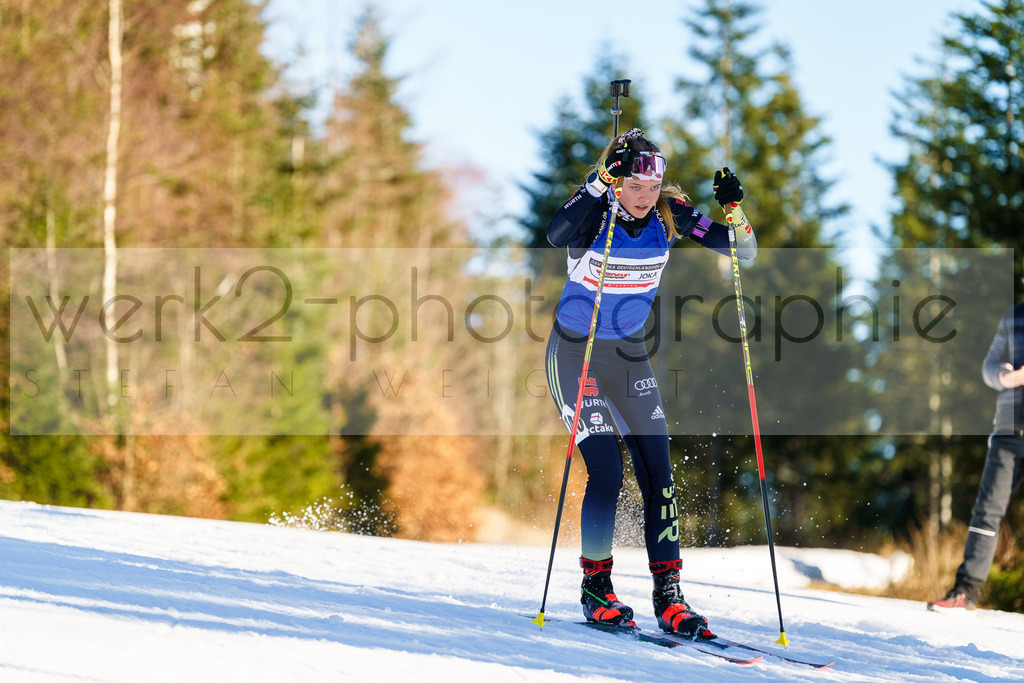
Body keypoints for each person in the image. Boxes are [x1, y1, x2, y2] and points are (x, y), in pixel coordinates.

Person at [544, 127, 757, 636]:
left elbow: (742, 251)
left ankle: (670, 598)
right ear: (616, 181)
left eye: (651, 187)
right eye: (634, 187)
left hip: (628, 356)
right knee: (607, 469)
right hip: (575, 355)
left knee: (659, 471)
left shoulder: (669, 213)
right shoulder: (594, 212)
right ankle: (596, 587)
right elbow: (555, 233)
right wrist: (598, 182)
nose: (644, 198)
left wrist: (733, 210)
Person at [927, 301, 1024, 611]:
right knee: (986, 511)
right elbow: (989, 367)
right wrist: (1004, 377)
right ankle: (965, 592)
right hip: (1008, 430)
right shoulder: (1013, 316)